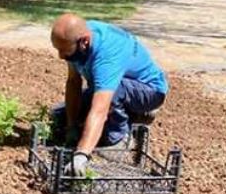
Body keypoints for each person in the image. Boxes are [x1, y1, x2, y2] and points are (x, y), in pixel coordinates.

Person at [50, 14, 168, 176]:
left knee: (112, 95)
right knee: (58, 116)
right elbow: (73, 83)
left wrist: (81, 154)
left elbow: (99, 109)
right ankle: (133, 114)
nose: (61, 56)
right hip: (115, 84)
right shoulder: (75, 38)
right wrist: (71, 126)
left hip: (149, 91)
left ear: (84, 41)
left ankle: (119, 140)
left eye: (64, 51)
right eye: (58, 50)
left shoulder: (106, 57)